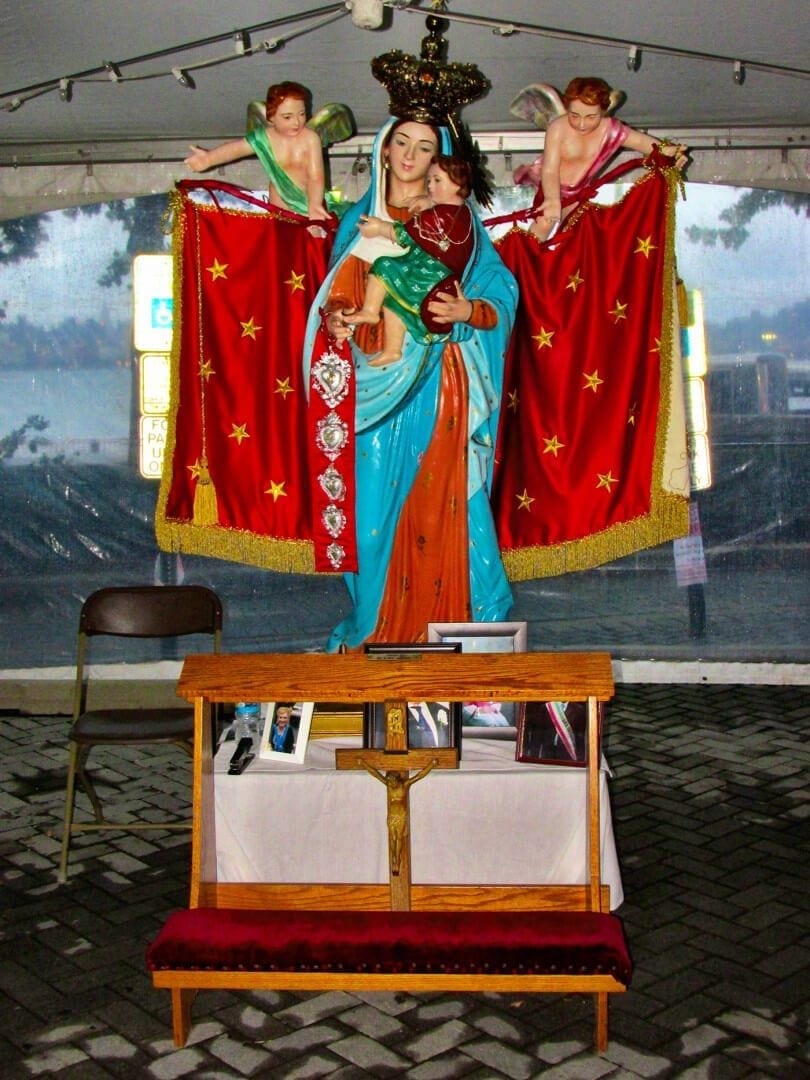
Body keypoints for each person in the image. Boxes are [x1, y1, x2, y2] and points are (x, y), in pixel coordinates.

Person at [303, 116, 518, 650]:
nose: (408, 156)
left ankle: (461, 629)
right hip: (373, 387)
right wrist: (336, 318)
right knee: (372, 516)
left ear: (438, 160)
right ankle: (375, 628)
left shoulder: (458, 224)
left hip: (440, 382)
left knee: (446, 502)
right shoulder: (361, 221)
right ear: (382, 149)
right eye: (400, 142)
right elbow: (338, 294)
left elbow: (501, 292)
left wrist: (470, 310)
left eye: (424, 148)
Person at [525, 76, 688, 240]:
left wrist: (672, 153)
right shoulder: (558, 128)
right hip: (551, 187)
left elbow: (644, 143)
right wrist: (552, 200)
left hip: (579, 193)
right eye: (574, 115)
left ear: (603, 112)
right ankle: (524, 256)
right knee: (544, 223)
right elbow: (550, 169)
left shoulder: (611, 130)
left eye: (591, 117)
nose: (581, 124)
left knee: (577, 232)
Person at [350, 155, 475, 367]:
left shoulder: (439, 216)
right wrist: (429, 201)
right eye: (429, 180)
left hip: (430, 275)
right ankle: (392, 350)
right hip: (438, 274)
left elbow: (404, 235)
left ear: (457, 184)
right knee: (394, 302)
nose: (430, 186)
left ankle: (370, 311)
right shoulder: (462, 212)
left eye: (437, 180)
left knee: (384, 265)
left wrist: (379, 227)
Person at [184, 81, 330, 220]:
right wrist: (209, 158)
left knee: (314, 233)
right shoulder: (264, 138)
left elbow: (316, 177)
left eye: (302, 114)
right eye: (287, 117)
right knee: (281, 231)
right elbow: (237, 148)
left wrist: (315, 204)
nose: (296, 122)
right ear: (272, 117)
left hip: (310, 200)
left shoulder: (310, 139)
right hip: (280, 199)